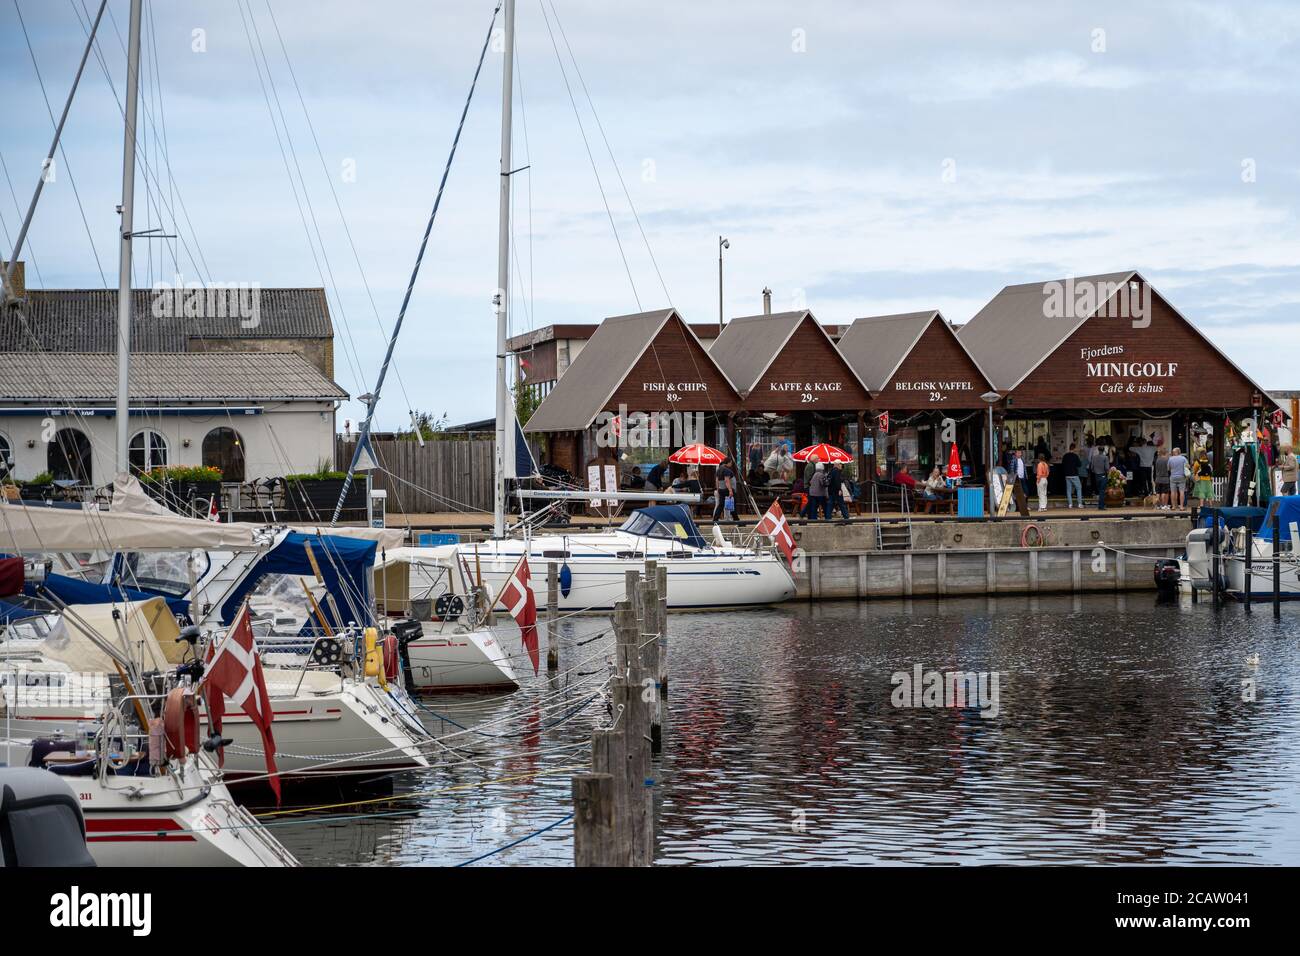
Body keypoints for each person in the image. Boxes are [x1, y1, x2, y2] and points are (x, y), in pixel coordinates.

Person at [713, 457, 737, 522]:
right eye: (731, 462)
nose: (731, 464)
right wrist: (730, 490)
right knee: (732, 503)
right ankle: (736, 519)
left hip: (721, 489)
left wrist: (718, 489)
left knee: (721, 505)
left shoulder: (719, 470)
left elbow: (717, 480)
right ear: (728, 462)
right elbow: (727, 480)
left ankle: (715, 519)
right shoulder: (727, 470)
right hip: (727, 489)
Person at [1089, 442, 1110, 510]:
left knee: (1099, 491)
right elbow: (1107, 468)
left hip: (1096, 475)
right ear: (1104, 450)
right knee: (1102, 491)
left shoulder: (1094, 457)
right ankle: (1101, 506)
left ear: (1098, 450)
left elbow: (1091, 467)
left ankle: (1101, 504)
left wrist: (1095, 471)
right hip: (1103, 475)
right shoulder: (1105, 457)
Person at [1062, 443, 1083, 508]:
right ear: (1074, 448)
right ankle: (1079, 503)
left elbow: (1063, 464)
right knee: (1079, 488)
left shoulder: (1065, 456)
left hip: (1067, 475)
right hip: (1074, 474)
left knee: (1069, 490)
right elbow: (1079, 464)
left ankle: (1070, 504)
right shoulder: (1075, 456)